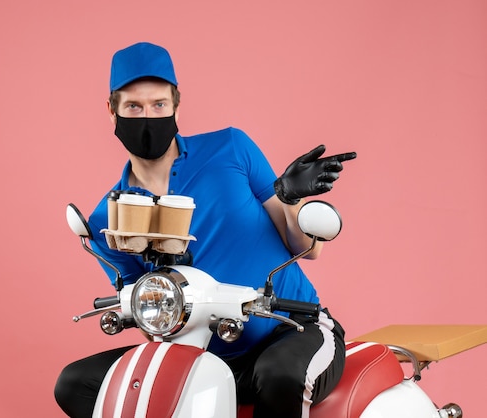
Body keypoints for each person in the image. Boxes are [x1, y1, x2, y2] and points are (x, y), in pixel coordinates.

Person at [55, 42, 357, 418]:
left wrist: (290, 195)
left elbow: (308, 248)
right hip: (202, 354)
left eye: (159, 105)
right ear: (112, 110)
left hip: (291, 330)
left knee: (278, 375)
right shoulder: (108, 219)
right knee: (76, 382)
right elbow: (148, 318)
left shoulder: (230, 148)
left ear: (176, 106)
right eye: (134, 106)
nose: (147, 116)